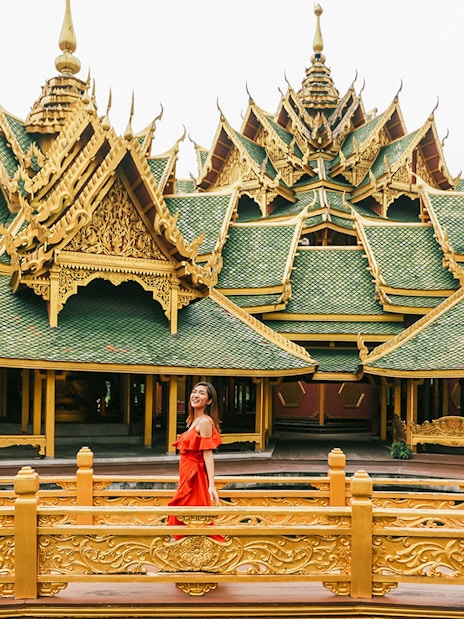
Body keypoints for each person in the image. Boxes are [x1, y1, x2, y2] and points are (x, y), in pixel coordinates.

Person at [167, 381, 224, 540]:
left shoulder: (205, 421)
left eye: (201, 393)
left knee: (194, 514)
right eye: (194, 392)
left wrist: (211, 485)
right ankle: (187, 552)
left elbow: (208, 454)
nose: (196, 395)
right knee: (185, 513)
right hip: (186, 474)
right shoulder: (193, 421)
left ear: (209, 401)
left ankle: (205, 552)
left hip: (195, 476)